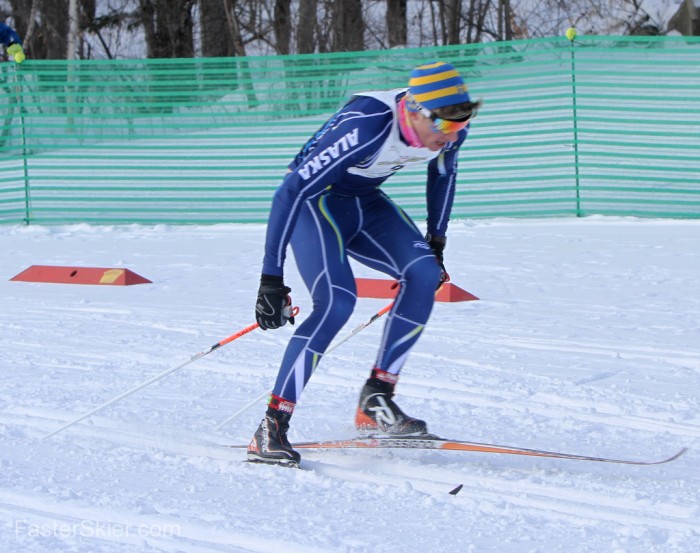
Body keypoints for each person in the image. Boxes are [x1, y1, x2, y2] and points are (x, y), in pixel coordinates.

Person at [247, 61, 480, 466]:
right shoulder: (368, 125)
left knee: (424, 273)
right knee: (338, 301)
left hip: (364, 202)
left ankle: (376, 399)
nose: (453, 135)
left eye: (460, 125)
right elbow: (290, 192)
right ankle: (271, 426)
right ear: (415, 111)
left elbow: (443, 175)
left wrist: (436, 243)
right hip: (315, 205)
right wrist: (271, 277)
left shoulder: (449, 126)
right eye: (444, 126)